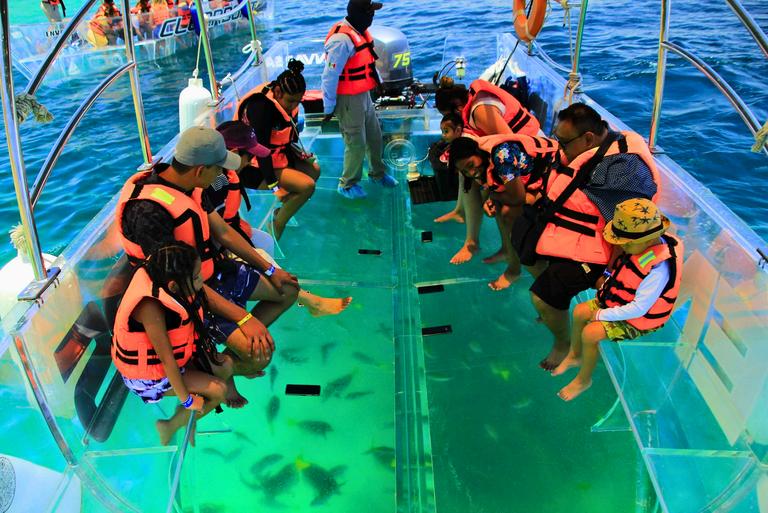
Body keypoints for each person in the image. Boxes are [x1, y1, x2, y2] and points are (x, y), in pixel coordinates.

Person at [116, 127, 300, 380]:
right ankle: (221, 367)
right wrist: (243, 318)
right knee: (259, 355)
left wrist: (270, 269)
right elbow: (180, 283)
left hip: (213, 272)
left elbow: (223, 232)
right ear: (200, 170)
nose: (222, 175)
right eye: (219, 169)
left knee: (288, 289)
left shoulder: (191, 186)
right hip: (191, 293)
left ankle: (223, 356)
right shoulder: (148, 212)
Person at [527, 103, 661, 371]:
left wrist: (611, 274)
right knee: (528, 251)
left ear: (588, 138)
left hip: (599, 252)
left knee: (541, 297)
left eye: (563, 142)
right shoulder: (589, 151)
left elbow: (628, 232)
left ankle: (563, 343)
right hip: (571, 234)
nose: (559, 147)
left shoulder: (622, 171)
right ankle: (555, 310)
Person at [208, 120, 353, 317]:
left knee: (265, 242)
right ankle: (310, 301)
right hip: (217, 246)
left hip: (230, 232)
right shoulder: (216, 180)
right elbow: (218, 230)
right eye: (250, 156)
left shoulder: (228, 173)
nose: (251, 162)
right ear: (233, 153)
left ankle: (290, 294)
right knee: (264, 259)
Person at [552, 199, 683, 401]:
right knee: (579, 311)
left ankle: (583, 380)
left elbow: (639, 308)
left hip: (639, 318)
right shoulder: (642, 247)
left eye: (627, 243)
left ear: (648, 240)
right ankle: (575, 356)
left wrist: (601, 314)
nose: (622, 246)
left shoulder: (659, 268)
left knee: (590, 333)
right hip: (620, 302)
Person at [112, 242, 234, 445]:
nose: (201, 279)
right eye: (196, 277)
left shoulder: (165, 279)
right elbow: (167, 360)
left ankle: (187, 418)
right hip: (147, 379)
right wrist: (187, 400)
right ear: (174, 286)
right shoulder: (149, 307)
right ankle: (170, 425)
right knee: (219, 391)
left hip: (172, 363)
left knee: (226, 365)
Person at [449, 134, 558, 289]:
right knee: (500, 205)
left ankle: (514, 269)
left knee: (509, 212)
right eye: (465, 171)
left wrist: (492, 196)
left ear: (477, 153)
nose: (471, 172)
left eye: (471, 165)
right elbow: (496, 187)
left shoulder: (501, 157)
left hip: (554, 170)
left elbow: (517, 198)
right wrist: (490, 198)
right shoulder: (481, 158)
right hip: (535, 175)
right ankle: (508, 251)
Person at [321, 0, 398, 199]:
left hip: (363, 95)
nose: (372, 17)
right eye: (369, 13)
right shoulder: (341, 41)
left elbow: (368, 62)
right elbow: (329, 77)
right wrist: (329, 107)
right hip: (348, 99)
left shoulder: (360, 32)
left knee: (374, 136)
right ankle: (347, 184)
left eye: (372, 12)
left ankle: (377, 174)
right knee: (356, 142)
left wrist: (378, 83)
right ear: (357, 14)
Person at [236, 60, 319, 240]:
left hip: (276, 157)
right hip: (251, 166)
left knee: (314, 171)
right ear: (278, 92)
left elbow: (288, 137)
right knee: (307, 186)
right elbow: (260, 151)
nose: (294, 106)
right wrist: (275, 188)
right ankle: (276, 225)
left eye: (298, 101)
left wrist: (300, 154)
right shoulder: (261, 108)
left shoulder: (288, 102)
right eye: (291, 101)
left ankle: (282, 212)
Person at [434, 78, 540, 138]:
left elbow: (510, 144)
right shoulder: (473, 97)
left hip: (533, 143)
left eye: (449, 116)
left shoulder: (480, 112)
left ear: (459, 108)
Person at [433, 112, 467, 225]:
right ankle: (459, 211)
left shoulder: (464, 143)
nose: (443, 135)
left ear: (458, 130)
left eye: (446, 131)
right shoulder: (454, 143)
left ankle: (461, 212)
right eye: (442, 131)